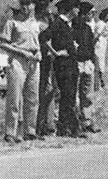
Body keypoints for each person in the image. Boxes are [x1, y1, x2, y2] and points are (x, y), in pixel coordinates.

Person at [1, 0, 42, 143]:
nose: (26, 7)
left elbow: (37, 42)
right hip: (18, 60)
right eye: (24, 4)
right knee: (15, 98)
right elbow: (3, 44)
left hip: (34, 62)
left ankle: (30, 131)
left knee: (32, 97)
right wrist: (21, 52)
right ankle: (10, 132)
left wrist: (38, 53)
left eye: (29, 4)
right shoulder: (12, 23)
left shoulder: (35, 24)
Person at [43, 0, 83, 137]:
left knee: (70, 96)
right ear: (71, 9)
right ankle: (67, 128)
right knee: (67, 96)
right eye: (77, 8)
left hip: (72, 64)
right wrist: (55, 53)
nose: (78, 11)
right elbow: (44, 37)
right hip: (63, 65)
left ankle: (67, 127)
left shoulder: (68, 24)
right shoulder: (58, 23)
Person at [74, 1, 98, 131]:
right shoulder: (73, 27)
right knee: (76, 95)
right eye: (90, 13)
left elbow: (91, 46)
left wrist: (92, 61)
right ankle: (76, 121)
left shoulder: (88, 28)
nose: (91, 16)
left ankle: (87, 122)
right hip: (77, 63)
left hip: (87, 63)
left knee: (87, 95)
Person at [35, 0, 57, 136]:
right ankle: (41, 124)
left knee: (49, 91)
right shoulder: (39, 24)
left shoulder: (48, 21)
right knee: (44, 90)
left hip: (48, 60)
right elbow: (45, 39)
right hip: (42, 59)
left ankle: (48, 123)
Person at [91, 7, 108, 90]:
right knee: (99, 67)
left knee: (100, 66)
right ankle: (99, 85)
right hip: (98, 48)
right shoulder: (101, 24)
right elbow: (96, 36)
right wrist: (91, 45)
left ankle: (100, 84)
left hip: (101, 48)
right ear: (107, 16)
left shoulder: (102, 24)